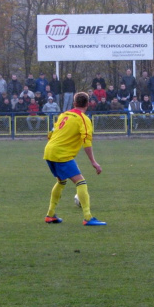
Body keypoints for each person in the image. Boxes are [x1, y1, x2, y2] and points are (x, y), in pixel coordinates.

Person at [43, 92, 106, 226]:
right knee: (81, 182)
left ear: (74, 103)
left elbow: (51, 133)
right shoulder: (83, 119)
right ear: (87, 104)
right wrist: (94, 162)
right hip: (62, 154)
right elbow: (87, 142)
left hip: (49, 151)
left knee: (61, 181)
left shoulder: (63, 115)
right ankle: (88, 218)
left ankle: (50, 215)